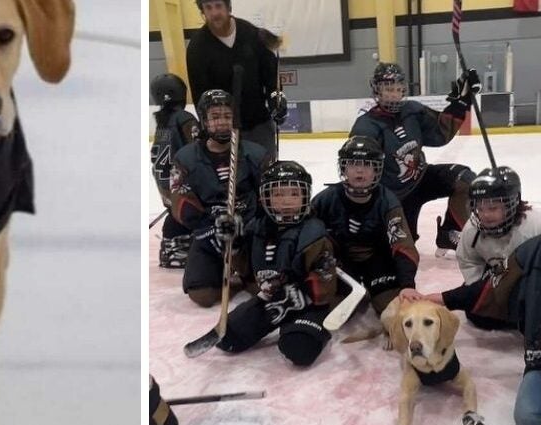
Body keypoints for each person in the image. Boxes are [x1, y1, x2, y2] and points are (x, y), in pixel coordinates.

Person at [423, 166, 541, 425]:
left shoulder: (535, 227)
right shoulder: (471, 231)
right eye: (480, 207)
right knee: (478, 313)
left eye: (494, 207)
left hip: (530, 287)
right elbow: (472, 269)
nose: (485, 214)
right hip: (501, 285)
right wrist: (486, 291)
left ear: (513, 203)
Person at [349, 62, 480, 256]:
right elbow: (358, 171)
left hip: (421, 179)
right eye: (388, 89)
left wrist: (462, 102)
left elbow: (440, 132)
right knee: (402, 248)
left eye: (398, 89)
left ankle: (448, 233)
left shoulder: (412, 110)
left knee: (466, 180)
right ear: (377, 90)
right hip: (395, 196)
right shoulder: (366, 126)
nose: (394, 94)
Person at [216, 161, 338, 366]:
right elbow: (246, 270)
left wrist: (292, 297)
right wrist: (233, 244)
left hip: (307, 305)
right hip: (271, 299)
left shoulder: (314, 232)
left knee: (299, 348)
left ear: (305, 196)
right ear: (265, 197)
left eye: (294, 194)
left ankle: (302, 329)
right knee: (228, 338)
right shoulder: (256, 227)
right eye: (278, 194)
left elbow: (325, 284)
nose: (287, 201)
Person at [169, 89, 267, 307]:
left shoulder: (256, 154)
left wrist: (252, 225)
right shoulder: (185, 158)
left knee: (260, 288)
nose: (222, 122)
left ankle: (242, 265)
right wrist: (211, 227)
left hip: (249, 232)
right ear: (204, 121)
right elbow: (180, 199)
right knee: (202, 294)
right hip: (210, 233)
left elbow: (267, 197)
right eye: (215, 117)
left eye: (227, 116)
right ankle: (228, 272)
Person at [311, 136, 421, 317]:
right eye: (353, 164)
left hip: (378, 261)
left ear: (376, 170)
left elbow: (403, 245)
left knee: (392, 309)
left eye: (367, 165)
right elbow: (307, 237)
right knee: (328, 307)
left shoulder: (387, 201)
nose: (360, 171)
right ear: (343, 168)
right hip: (340, 264)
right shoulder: (325, 199)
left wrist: (407, 284)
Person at [185, 0, 286, 155]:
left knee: (265, 169)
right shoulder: (197, 48)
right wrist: (208, 130)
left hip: (259, 125)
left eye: (218, 6)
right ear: (202, 11)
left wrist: (276, 100)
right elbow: (200, 96)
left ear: (229, 7)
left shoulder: (252, 34)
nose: (214, 13)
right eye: (208, 8)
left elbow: (271, 76)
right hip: (222, 132)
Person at [150, 73, 200, 268]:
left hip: (164, 180)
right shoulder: (184, 118)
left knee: (175, 210)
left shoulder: (163, 122)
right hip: (178, 179)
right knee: (192, 207)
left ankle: (171, 245)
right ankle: (177, 246)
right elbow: (198, 148)